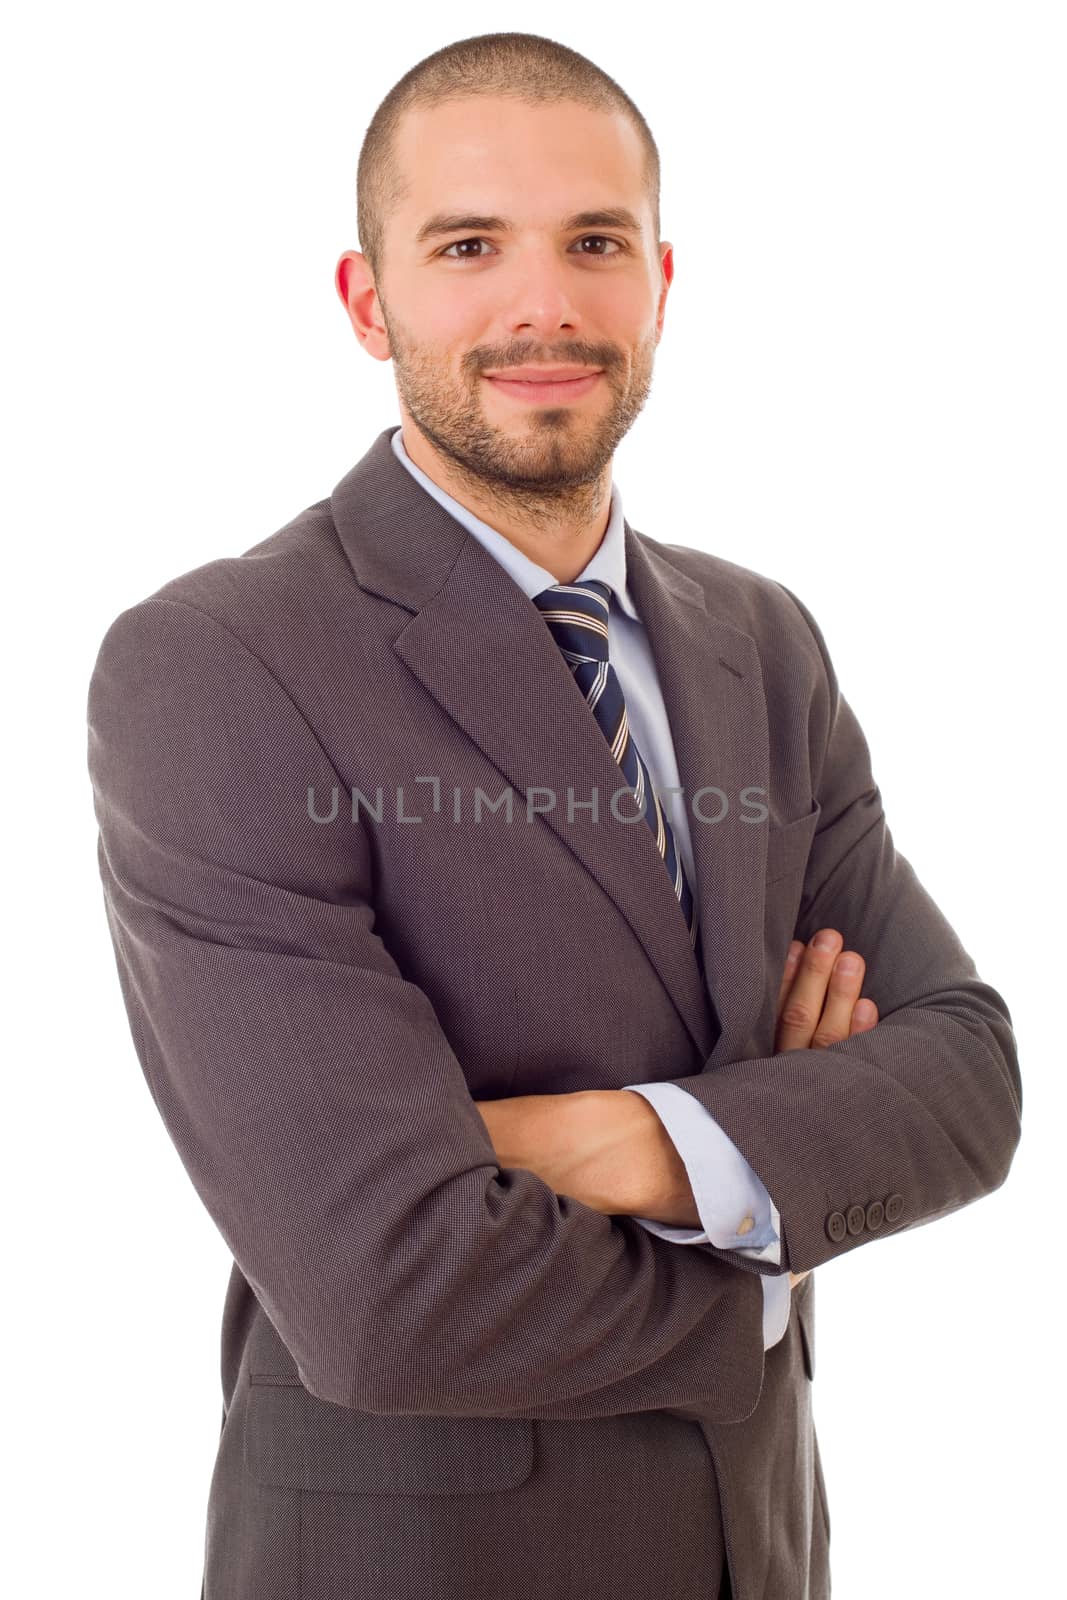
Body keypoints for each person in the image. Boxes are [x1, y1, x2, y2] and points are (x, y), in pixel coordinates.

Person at [85, 31, 1022, 1600]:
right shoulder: (219, 663)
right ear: (368, 299)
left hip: (759, 1550)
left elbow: (968, 1078)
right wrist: (770, 1233)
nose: (546, 307)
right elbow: (390, 1294)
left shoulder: (762, 643)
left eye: (596, 244)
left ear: (661, 281)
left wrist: (614, 1141)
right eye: (469, 247)